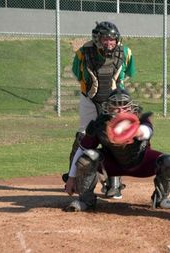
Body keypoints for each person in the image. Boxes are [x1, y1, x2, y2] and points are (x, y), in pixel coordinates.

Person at [64, 89, 170, 212]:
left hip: (140, 162)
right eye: (116, 107)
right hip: (111, 164)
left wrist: (132, 130)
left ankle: (161, 199)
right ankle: (86, 201)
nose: (121, 112)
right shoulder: (99, 124)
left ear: (132, 108)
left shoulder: (140, 120)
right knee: (87, 157)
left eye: (125, 108)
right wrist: (71, 178)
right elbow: (82, 149)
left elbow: (147, 132)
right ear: (108, 108)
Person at [63, 21, 136, 199]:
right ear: (97, 39)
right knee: (83, 136)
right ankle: (77, 178)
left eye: (112, 39)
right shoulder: (83, 52)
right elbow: (78, 73)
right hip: (90, 99)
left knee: (116, 138)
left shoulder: (125, 52)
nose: (109, 43)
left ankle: (114, 185)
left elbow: (128, 73)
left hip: (114, 102)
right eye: (105, 39)